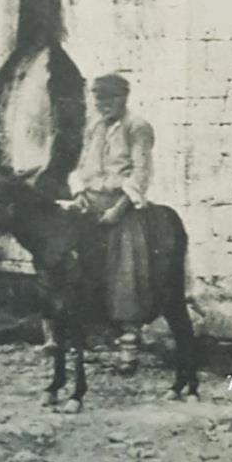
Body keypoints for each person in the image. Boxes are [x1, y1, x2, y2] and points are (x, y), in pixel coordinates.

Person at [68, 74, 155, 366]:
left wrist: (119, 208)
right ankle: (81, 333)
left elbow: (141, 172)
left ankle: (129, 338)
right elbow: (80, 165)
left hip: (121, 205)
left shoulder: (137, 127)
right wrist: (79, 193)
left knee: (125, 263)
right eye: (99, 100)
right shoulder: (94, 127)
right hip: (90, 202)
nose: (104, 105)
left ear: (123, 98)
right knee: (69, 257)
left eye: (110, 99)